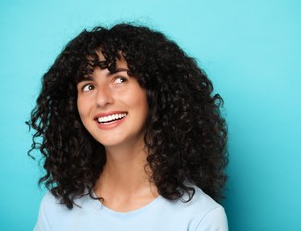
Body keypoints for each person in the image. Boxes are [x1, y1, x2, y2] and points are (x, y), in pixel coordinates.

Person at [28, 23, 228, 230]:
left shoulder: (201, 217)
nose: (101, 99)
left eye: (119, 79)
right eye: (88, 86)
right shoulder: (55, 207)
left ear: (156, 92)